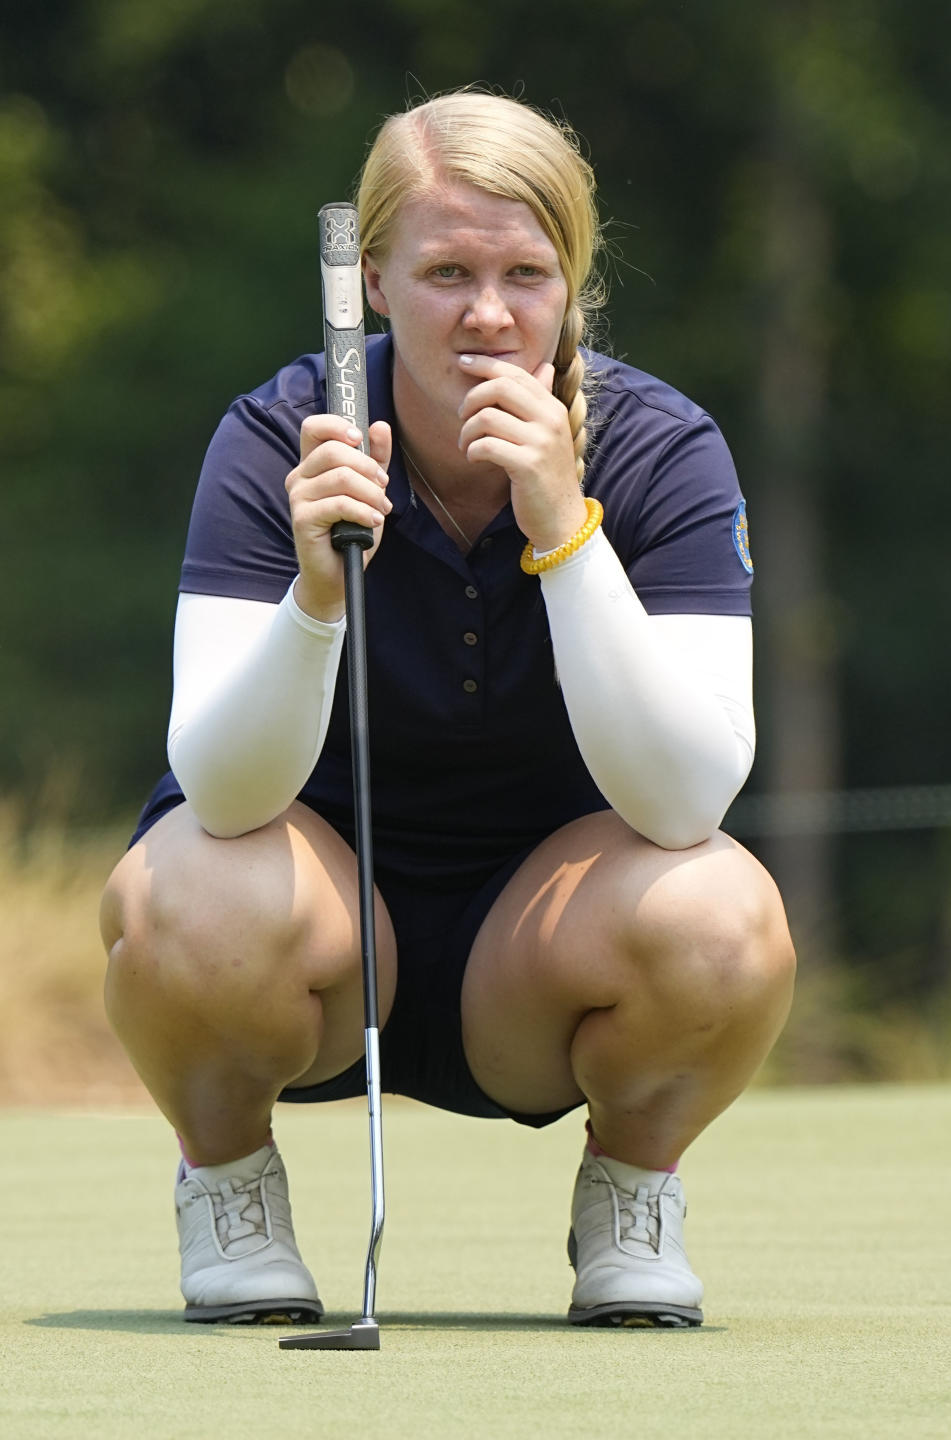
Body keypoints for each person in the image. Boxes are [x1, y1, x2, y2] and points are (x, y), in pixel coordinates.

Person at [100, 89, 795, 1329]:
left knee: (727, 917)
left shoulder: (664, 449)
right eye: (445, 272)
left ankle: (632, 1190)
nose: (488, 313)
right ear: (371, 279)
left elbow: (689, 798)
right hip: (308, 943)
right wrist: (316, 595)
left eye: (527, 273)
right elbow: (221, 790)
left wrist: (564, 529)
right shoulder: (277, 441)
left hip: (546, 957)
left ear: (571, 283)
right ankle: (230, 1183)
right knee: (179, 891)